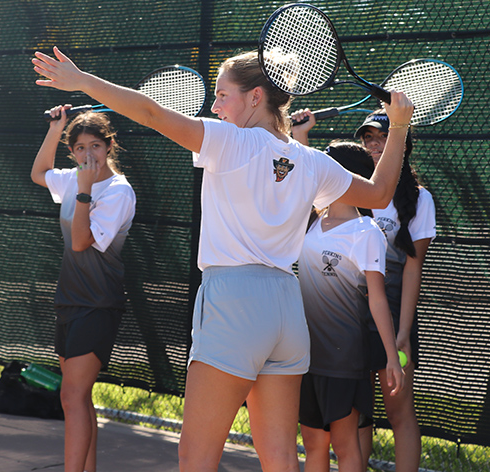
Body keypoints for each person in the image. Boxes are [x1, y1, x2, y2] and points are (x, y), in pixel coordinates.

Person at [32, 46, 414, 472]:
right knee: (283, 459)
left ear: (255, 97)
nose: (214, 106)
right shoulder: (312, 162)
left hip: (235, 303)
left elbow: (152, 114)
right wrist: (398, 126)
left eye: (222, 94)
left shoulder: (229, 140)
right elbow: (380, 194)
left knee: (196, 457)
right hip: (287, 312)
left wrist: (83, 80)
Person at [30, 107, 136, 472]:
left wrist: (85, 190)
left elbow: (80, 242)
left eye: (95, 145)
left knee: (72, 396)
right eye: (79, 148)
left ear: (109, 146)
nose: (88, 154)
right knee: (79, 398)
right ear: (71, 151)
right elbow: (39, 173)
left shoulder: (119, 192)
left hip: (98, 304)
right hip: (69, 300)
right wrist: (55, 128)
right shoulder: (74, 179)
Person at [288, 137, 403, 472]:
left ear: (345, 178)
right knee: (313, 445)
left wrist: (392, 358)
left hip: (344, 358)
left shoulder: (366, 232)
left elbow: (377, 299)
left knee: (344, 446)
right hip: (306, 355)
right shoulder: (309, 222)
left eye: (325, 169)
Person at [355, 109, 436, 472]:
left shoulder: (421, 200)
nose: (374, 145)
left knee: (398, 409)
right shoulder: (352, 188)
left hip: (394, 319)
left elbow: (412, 270)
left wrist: (402, 334)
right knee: (356, 412)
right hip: (352, 318)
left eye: (381, 137)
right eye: (368, 138)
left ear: (402, 145)